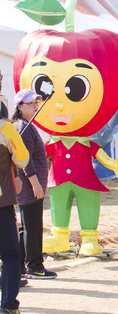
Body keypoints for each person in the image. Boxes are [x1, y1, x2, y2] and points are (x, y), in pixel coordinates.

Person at [11, 90, 56, 280]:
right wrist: (36, 184)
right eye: (31, 103)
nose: (36, 106)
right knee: (33, 226)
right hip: (30, 186)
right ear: (19, 107)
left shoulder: (26, 126)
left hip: (31, 186)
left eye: (37, 102)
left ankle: (21, 264)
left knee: (26, 227)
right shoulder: (23, 127)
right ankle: (35, 266)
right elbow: (25, 159)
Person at [0, 71, 30, 314]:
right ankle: (9, 305)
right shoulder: (6, 129)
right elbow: (22, 159)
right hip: (2, 202)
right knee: (10, 254)